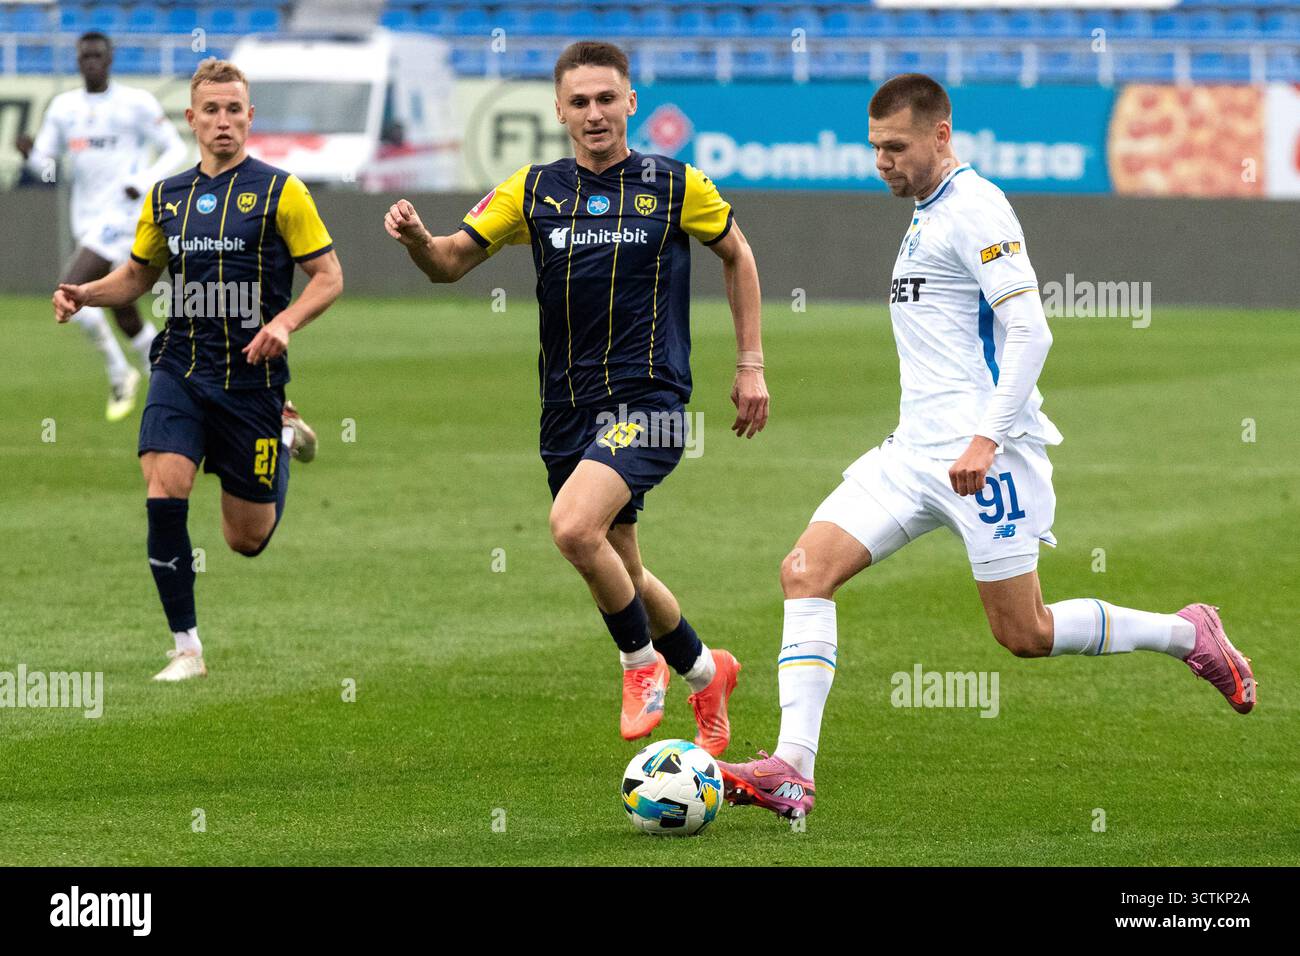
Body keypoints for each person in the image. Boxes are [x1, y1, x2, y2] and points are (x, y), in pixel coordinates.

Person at [720, 74, 1256, 818]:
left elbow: (1033, 329)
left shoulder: (975, 208)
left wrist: (985, 438)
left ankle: (1186, 633)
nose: (883, 162)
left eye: (897, 147)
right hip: (912, 456)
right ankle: (792, 768)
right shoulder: (925, 211)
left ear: (942, 136)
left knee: (1025, 633)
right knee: (805, 571)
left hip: (986, 460)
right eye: (875, 148)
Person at [384, 41, 769, 756]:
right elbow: (447, 263)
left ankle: (638, 664)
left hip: (650, 402)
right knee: (621, 560)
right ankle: (707, 672)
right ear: (560, 110)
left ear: (630, 103)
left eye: (606, 98)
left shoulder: (676, 182)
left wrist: (750, 363)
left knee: (571, 529)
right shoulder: (531, 190)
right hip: (565, 409)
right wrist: (414, 238)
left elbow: (737, 254)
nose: (594, 113)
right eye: (580, 101)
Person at [52, 58, 341, 681]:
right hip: (179, 367)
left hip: (252, 381)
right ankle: (186, 647)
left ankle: (284, 433)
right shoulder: (166, 195)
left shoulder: (282, 191)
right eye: (210, 111)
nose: (223, 122)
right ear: (191, 119)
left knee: (246, 539)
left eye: (234, 110)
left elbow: (329, 277)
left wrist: (284, 323)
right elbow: (136, 276)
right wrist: (85, 293)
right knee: (164, 487)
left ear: (250, 117)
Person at [20, 31, 187, 420]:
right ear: (77, 62)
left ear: (110, 59)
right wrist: (28, 156)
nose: (91, 62)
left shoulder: (136, 103)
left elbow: (176, 148)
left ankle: (119, 372)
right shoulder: (63, 108)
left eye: (97, 55)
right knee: (122, 310)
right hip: (87, 217)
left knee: (72, 291)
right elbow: (46, 167)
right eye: (84, 57)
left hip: (124, 215)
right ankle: (163, 381)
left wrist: (143, 181)